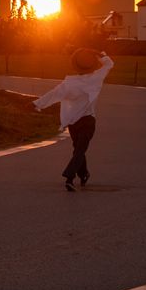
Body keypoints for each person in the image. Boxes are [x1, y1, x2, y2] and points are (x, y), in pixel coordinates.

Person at [33, 48, 114, 191]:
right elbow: (109, 64)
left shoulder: (69, 84)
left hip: (77, 122)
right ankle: (84, 174)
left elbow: (53, 94)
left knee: (79, 150)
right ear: (93, 65)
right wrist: (100, 54)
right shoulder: (96, 78)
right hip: (86, 121)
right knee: (79, 150)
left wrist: (36, 104)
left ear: (76, 66)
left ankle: (69, 177)